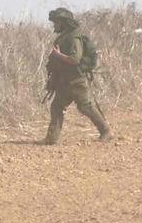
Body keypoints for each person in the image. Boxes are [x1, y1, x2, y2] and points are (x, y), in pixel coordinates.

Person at [41, 8, 112, 144]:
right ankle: (51, 139)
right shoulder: (66, 36)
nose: (54, 26)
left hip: (76, 81)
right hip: (65, 81)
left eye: (56, 22)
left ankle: (106, 131)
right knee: (56, 107)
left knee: (86, 106)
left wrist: (58, 55)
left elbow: (75, 60)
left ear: (63, 22)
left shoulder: (74, 37)